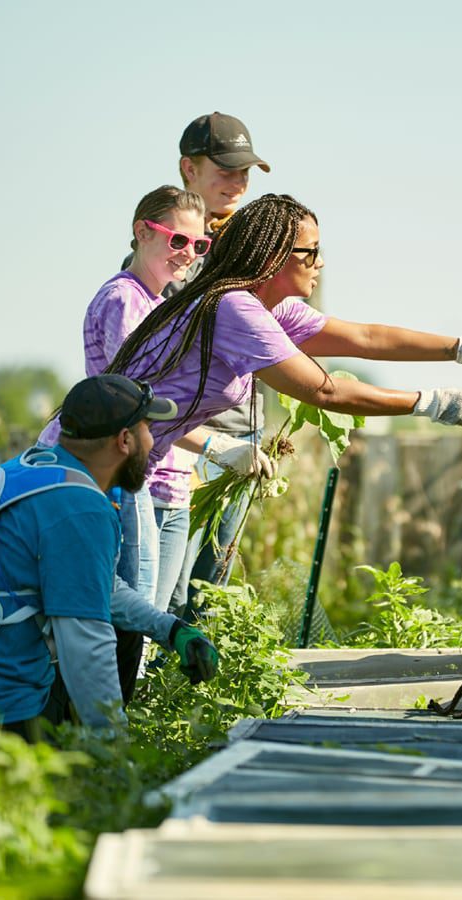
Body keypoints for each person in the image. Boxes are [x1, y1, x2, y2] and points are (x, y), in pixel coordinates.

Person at [103, 193, 462, 574]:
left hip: (128, 466)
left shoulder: (266, 309)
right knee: (128, 622)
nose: (320, 262)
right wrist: (429, 403)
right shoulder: (235, 308)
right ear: (275, 257)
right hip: (102, 466)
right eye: (311, 251)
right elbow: (324, 390)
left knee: (134, 621)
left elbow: (367, 339)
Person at [0, 375, 212, 738]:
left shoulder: (39, 469)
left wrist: (170, 629)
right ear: (125, 440)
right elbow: (85, 642)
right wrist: (114, 750)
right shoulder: (80, 509)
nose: (154, 442)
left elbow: (95, 583)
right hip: (2, 708)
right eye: (149, 428)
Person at [87, 185, 207, 616]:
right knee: (138, 621)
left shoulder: (156, 303)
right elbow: (138, 403)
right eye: (178, 239)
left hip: (169, 483)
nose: (188, 252)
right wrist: (214, 444)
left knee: (155, 623)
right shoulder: (124, 299)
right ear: (143, 231)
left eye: (199, 244)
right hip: (135, 479)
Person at [171, 112, 272, 615]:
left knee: (211, 586)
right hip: (187, 439)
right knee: (169, 588)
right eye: (225, 169)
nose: (237, 181)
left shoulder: (255, 242)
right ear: (189, 169)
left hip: (242, 437)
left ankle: (189, 691)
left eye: (244, 172)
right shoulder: (170, 245)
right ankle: (152, 690)